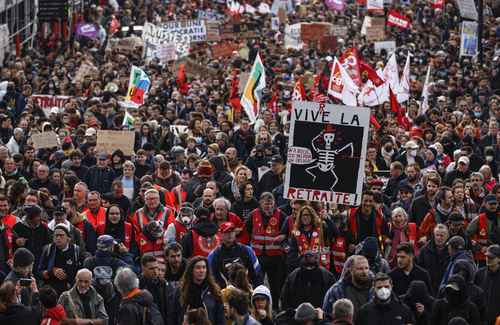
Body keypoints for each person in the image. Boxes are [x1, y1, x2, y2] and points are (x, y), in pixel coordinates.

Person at [246, 192, 287, 306]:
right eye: (266, 203)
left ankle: (274, 307)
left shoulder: (281, 215)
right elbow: (246, 231)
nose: (268, 206)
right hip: (257, 256)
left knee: (275, 285)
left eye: (270, 203)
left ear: (274, 203)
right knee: (257, 284)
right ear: (260, 203)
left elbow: (287, 232)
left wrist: (283, 236)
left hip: (275, 257)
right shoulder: (253, 215)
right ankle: (255, 306)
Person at [208, 221, 262, 289]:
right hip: (225, 294)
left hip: (246, 291)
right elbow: (212, 277)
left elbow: (257, 273)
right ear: (220, 234)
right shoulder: (214, 255)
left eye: (232, 231)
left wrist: (257, 290)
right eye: (226, 232)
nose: (230, 234)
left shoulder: (247, 250)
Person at [172, 256, 225, 325]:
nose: (201, 270)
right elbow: (174, 315)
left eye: (204, 267)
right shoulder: (181, 290)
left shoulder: (214, 289)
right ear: (191, 270)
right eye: (198, 267)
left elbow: (220, 316)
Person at [38, 224, 82, 295]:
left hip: (71, 288)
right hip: (52, 289)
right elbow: (40, 271)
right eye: (56, 235)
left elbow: (80, 270)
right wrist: (51, 271)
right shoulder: (48, 249)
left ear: (68, 238)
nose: (58, 238)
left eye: (61, 235)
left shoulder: (76, 250)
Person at [287, 205, 332, 272]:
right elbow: (292, 254)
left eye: (307, 215)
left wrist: (327, 219)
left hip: (319, 268)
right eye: (303, 215)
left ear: (312, 216)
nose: (305, 217)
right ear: (300, 217)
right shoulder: (295, 233)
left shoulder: (321, 229)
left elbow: (326, 247)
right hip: (302, 269)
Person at [139, 254, 175, 325]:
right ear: (143, 268)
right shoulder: (138, 286)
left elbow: (170, 310)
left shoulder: (164, 284)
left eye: (156, 268)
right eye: (151, 269)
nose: (156, 272)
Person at [466, 194, 500, 266]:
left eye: (495, 204)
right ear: (485, 204)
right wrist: (479, 247)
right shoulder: (479, 219)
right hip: (483, 257)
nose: (493, 206)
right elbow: (467, 234)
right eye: (491, 204)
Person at [417, 224, 450, 294]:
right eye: (437, 235)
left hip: (445, 288)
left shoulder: (451, 251)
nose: (439, 238)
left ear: (447, 237)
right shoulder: (424, 250)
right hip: (428, 287)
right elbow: (419, 268)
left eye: (442, 235)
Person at [473, 244, 500, 325]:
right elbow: (474, 294)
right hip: (480, 319)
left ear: (499, 259)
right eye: (487, 256)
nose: (488, 259)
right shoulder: (479, 273)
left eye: (491, 257)